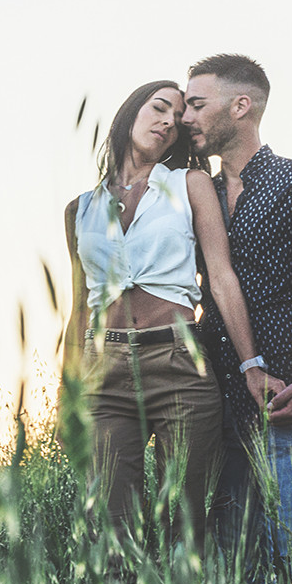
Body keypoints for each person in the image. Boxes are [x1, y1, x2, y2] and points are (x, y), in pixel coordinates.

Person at [61, 79, 273, 548]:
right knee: (114, 534)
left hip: (178, 364)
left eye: (176, 120)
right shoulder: (79, 210)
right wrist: (68, 389)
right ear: (130, 112)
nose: (167, 122)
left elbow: (221, 278)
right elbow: (78, 309)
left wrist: (251, 364)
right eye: (158, 108)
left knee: (187, 527)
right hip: (104, 375)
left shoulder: (189, 184)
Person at [180, 54, 292, 572]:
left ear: (241, 105)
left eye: (196, 104)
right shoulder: (196, 194)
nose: (186, 117)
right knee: (233, 557)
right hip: (214, 397)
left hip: (284, 396)